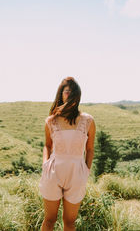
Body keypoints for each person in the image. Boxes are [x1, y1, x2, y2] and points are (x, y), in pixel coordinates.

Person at [39, 76, 96, 231]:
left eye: (72, 92)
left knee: (70, 221)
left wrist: (86, 170)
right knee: (49, 220)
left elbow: (90, 149)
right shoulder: (51, 121)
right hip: (54, 171)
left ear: (78, 96)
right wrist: (45, 164)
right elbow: (47, 145)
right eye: (66, 92)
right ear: (61, 94)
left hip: (77, 173)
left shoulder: (88, 120)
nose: (69, 95)